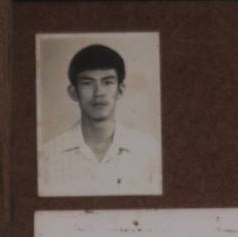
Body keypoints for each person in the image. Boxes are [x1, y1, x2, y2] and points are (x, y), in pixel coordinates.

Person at [38, 43, 161, 196]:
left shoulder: (150, 152)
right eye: (87, 83)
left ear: (120, 90)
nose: (99, 92)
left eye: (108, 82)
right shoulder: (47, 157)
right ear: (73, 92)